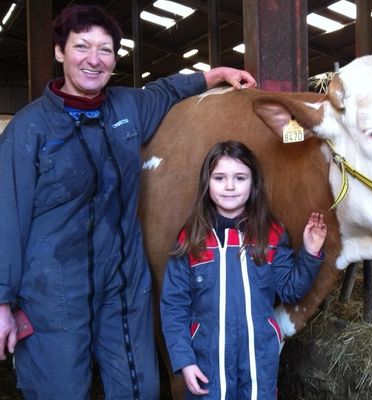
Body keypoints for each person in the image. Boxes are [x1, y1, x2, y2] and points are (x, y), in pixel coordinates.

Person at [0, 4, 256, 399]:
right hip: (53, 289)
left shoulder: (127, 107)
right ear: (59, 52)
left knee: (139, 388)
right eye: (81, 46)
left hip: (122, 282)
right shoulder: (29, 128)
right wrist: (3, 300)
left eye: (105, 50)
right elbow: (7, 215)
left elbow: (168, 90)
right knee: (59, 390)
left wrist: (216, 75)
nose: (93, 59)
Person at [160, 141, 327, 399]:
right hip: (206, 363)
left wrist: (310, 253)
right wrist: (185, 361)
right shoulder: (191, 239)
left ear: (253, 183)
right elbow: (174, 305)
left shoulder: (271, 234)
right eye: (219, 178)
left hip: (259, 361)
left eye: (240, 177)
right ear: (207, 183)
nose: (229, 186)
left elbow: (291, 290)